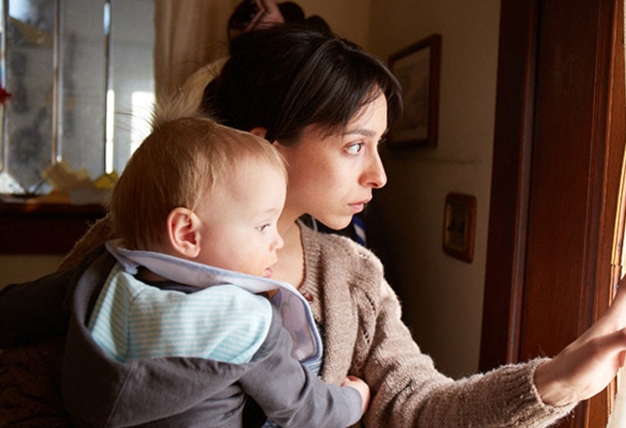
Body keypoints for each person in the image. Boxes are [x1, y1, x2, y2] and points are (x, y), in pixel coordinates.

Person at [2, 25, 626, 427]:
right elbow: (22, 394)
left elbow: (416, 407)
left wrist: (558, 380)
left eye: (380, 147)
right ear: (267, 144)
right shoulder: (132, 249)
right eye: (353, 145)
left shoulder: (352, 276)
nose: (379, 175)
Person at [0, 115, 370, 427]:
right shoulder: (247, 324)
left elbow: (14, 310)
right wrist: (354, 399)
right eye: (262, 225)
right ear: (186, 233)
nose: (276, 240)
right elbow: (304, 409)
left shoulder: (97, 275)